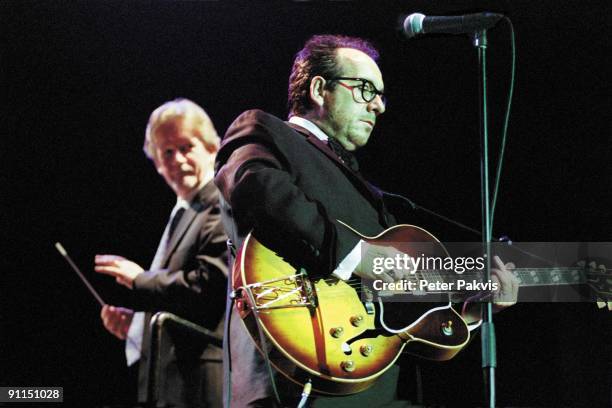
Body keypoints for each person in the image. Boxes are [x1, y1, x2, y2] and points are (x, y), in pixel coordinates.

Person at [214, 35, 518, 407]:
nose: (378, 106)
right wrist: (358, 256)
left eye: (381, 95)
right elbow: (257, 191)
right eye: (364, 89)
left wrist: (472, 311)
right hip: (294, 374)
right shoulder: (264, 130)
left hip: (372, 383)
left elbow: (398, 310)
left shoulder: (370, 196)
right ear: (319, 89)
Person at [96, 98, 228, 408]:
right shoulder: (185, 211)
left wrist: (139, 280)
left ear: (211, 148)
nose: (178, 160)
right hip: (170, 385)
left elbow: (208, 287)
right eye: (166, 152)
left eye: (186, 146)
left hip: (200, 386)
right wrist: (138, 325)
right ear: (156, 162)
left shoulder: (220, 203)